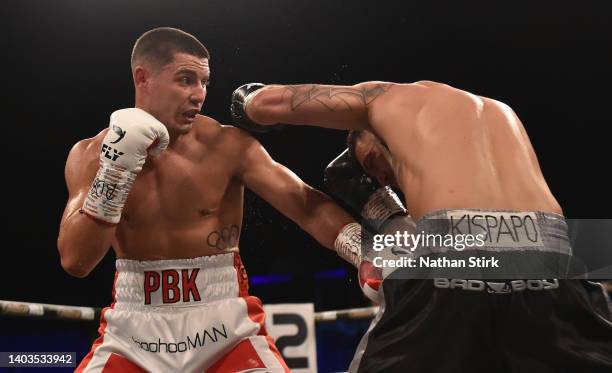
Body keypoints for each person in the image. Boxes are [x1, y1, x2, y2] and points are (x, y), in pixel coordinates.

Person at [231, 81, 612, 372]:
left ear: (368, 142)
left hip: (456, 259)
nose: (386, 182)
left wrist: (245, 103)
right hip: (557, 261)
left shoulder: (384, 99)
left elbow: (268, 102)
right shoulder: (503, 113)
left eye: (375, 169)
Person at [57, 27, 371, 373]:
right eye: (186, 79)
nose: (199, 94)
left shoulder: (228, 146)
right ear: (143, 78)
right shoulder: (91, 155)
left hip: (225, 328)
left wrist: (368, 252)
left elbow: (304, 204)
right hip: (133, 333)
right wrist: (115, 172)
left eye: (204, 82)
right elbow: (76, 260)